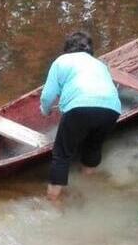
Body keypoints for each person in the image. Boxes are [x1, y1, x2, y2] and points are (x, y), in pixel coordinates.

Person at [40, 31, 122, 200]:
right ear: (90, 51)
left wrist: (45, 111)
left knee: (61, 154)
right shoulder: (100, 64)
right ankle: (87, 184)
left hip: (80, 108)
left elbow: (47, 96)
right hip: (112, 109)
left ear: (67, 48)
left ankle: (53, 201)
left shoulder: (61, 61)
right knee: (93, 146)